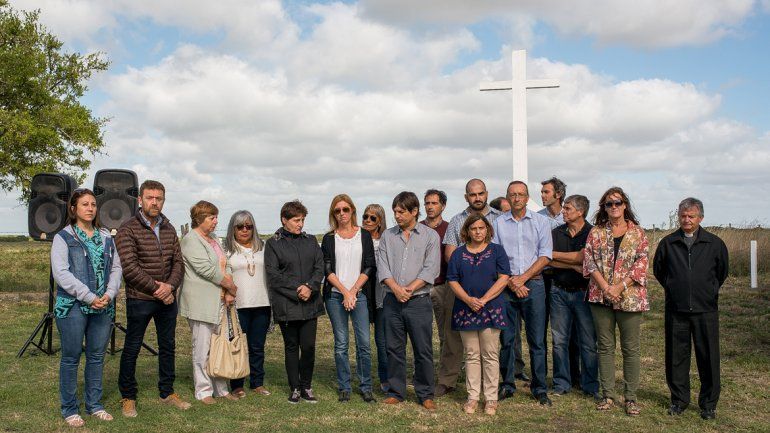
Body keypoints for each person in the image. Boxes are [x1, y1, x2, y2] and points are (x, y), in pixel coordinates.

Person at [116, 180, 190, 417]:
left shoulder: (169, 229)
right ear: (140, 200)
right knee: (133, 347)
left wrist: (170, 287)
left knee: (168, 346)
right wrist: (157, 289)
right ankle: (128, 396)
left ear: (163, 200)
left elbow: (178, 262)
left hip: (167, 299)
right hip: (140, 299)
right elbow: (129, 266)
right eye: (150, 197)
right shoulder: (127, 228)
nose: (154, 202)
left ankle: (167, 392)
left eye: (159, 198)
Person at [51, 188, 122, 427]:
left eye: (93, 204)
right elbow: (61, 273)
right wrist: (89, 296)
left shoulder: (105, 237)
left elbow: (116, 269)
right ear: (73, 209)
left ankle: (94, 405)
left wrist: (109, 294)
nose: (90, 208)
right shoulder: (63, 237)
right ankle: (70, 408)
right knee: (71, 358)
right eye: (84, 204)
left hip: (103, 306)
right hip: (72, 306)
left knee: (96, 357)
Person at [653, 198, 728, 420]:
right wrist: (675, 288)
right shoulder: (668, 243)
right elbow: (659, 270)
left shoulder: (714, 244)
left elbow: (721, 272)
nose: (686, 219)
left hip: (706, 310)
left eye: (691, 216)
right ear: (679, 216)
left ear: (700, 218)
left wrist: (708, 290)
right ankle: (679, 400)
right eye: (683, 215)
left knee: (709, 358)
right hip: (677, 310)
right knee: (676, 357)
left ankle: (708, 404)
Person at [583, 187, 649, 416]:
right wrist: (605, 288)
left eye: (617, 203)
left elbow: (641, 264)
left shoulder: (638, 233)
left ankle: (630, 398)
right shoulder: (596, 233)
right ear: (604, 208)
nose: (613, 207)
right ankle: (608, 395)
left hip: (629, 298)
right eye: (608, 204)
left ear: (625, 205)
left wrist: (619, 287)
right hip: (600, 297)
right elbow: (589, 261)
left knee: (630, 349)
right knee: (605, 347)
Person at [492, 180, 553, 406]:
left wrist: (522, 278)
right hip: (505, 288)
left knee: (537, 340)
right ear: (507, 198)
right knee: (507, 339)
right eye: (512, 195)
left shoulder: (541, 222)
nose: (517, 198)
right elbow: (495, 255)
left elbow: (545, 255)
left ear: (527, 198)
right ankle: (507, 385)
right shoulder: (498, 223)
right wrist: (511, 282)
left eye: (521, 195)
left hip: (533, 286)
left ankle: (539, 388)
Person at [378, 191, 440, 410]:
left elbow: (430, 269)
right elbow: (383, 266)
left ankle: (425, 393)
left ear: (414, 211)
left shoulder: (430, 236)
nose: (397, 215)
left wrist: (409, 289)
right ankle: (397, 391)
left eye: (401, 211)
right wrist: (396, 289)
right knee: (394, 348)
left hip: (419, 302)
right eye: (395, 211)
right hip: (392, 301)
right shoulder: (387, 236)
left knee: (423, 349)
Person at [441, 179, 502, 396]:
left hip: (492, 299)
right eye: (472, 194)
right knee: (468, 350)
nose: (477, 197)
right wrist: (466, 292)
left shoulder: (500, 218)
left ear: (486, 193)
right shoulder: (457, 221)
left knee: (492, 350)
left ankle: (495, 392)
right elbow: (450, 255)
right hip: (463, 294)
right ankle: (468, 391)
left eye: (480, 193)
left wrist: (485, 297)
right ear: (466, 196)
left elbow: (503, 269)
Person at [446, 215, 511, 416]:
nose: (478, 232)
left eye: (481, 228)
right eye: (473, 228)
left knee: (490, 354)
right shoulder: (458, 254)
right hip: (466, 309)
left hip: (491, 308)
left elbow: (504, 278)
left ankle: (491, 398)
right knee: (472, 355)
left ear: (487, 229)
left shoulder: (497, 251)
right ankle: (473, 396)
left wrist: (483, 299)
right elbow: (452, 280)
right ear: (467, 230)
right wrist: (468, 300)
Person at [264, 200, 325, 404]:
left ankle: (306, 386)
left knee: (308, 347)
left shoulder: (310, 241)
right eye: (296, 220)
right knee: (292, 346)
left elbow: (319, 267)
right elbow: (273, 275)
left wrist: (310, 286)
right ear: (284, 220)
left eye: (302, 220)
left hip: (310, 303)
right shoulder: (273, 243)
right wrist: (298, 290)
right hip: (287, 304)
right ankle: (295, 388)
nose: (300, 224)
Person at [179, 201, 239, 404]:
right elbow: (206, 269)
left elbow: (226, 263)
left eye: (215, 217)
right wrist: (230, 286)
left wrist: (229, 288)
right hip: (200, 302)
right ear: (199, 219)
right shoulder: (190, 240)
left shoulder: (214, 239)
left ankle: (221, 389)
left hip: (221, 301)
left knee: (218, 346)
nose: (215, 222)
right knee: (202, 348)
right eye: (211, 218)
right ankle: (203, 390)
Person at [321, 194, 376, 403]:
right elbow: (327, 269)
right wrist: (345, 292)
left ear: (352, 210)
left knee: (364, 344)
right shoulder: (328, 238)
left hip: (359, 295)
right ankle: (344, 386)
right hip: (335, 297)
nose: (342, 214)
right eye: (337, 210)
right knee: (341, 343)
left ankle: (365, 386)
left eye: (345, 209)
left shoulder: (364, 235)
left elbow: (369, 266)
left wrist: (353, 291)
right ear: (333, 213)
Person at [548, 195, 599, 399]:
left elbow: (584, 257)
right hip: (559, 291)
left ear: (580, 211)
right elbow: (546, 258)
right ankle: (562, 382)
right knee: (559, 340)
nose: (563, 211)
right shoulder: (556, 232)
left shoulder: (592, 233)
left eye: (568, 208)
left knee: (588, 341)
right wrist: (574, 263)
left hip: (583, 293)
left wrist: (558, 256)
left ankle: (590, 385)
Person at [223, 210, 272, 398]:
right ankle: (237, 385)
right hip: (238, 305)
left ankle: (257, 383)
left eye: (249, 226)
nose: (245, 230)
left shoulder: (263, 248)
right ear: (233, 229)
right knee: (237, 346)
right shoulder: (227, 250)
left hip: (262, 303)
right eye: (240, 226)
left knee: (257, 346)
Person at [419, 189, 455, 397]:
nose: (430, 206)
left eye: (434, 203)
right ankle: (422, 373)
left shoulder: (449, 229)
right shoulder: (417, 228)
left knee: (446, 335)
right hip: (420, 288)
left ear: (443, 205)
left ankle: (446, 378)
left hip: (443, 286)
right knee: (421, 334)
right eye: (427, 203)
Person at [361, 203, 389, 392]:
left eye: (373, 218)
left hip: (381, 293)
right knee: (362, 340)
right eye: (365, 216)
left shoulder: (386, 240)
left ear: (380, 221)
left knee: (382, 340)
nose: (367, 220)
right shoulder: (358, 239)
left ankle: (386, 379)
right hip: (363, 291)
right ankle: (364, 379)